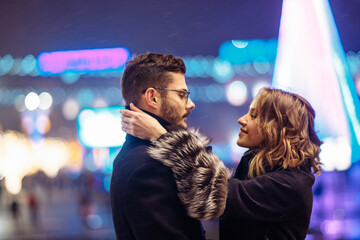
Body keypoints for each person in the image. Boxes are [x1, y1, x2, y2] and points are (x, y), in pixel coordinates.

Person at [120, 87, 323, 240]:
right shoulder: (263, 171)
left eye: (253, 115)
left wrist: (161, 136)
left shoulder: (289, 185)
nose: (241, 120)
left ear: (277, 127)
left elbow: (215, 192)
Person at [110, 52, 229, 240]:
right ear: (153, 97)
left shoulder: (136, 155)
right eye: (182, 95)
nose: (191, 104)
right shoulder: (151, 165)